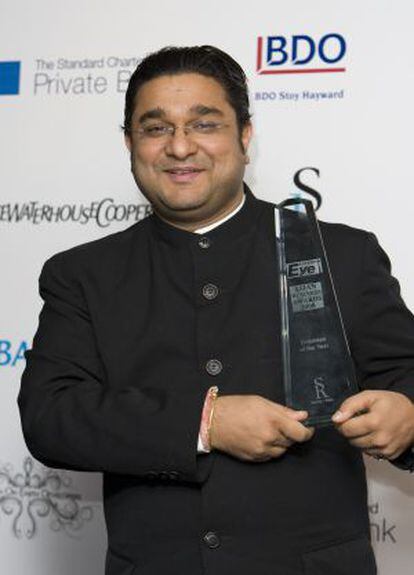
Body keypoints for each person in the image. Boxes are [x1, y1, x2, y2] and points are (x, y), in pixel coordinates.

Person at [19, 45, 414, 575]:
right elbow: (51, 418)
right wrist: (206, 421)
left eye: (205, 124)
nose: (180, 147)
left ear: (245, 136)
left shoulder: (342, 253)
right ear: (130, 143)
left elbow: (406, 379)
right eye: (155, 129)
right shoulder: (83, 274)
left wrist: (408, 416)